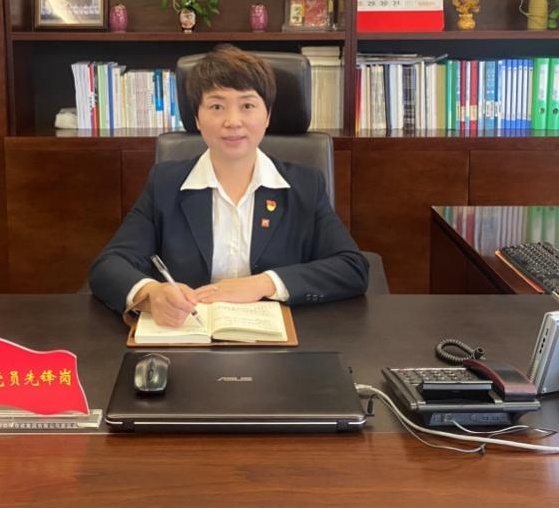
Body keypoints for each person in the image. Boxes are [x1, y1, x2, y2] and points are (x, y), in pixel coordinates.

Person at [88, 45, 369, 325]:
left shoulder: (304, 186)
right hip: (188, 336)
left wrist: (265, 283)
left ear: (268, 115)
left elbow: (352, 267)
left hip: (277, 341)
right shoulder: (166, 184)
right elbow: (109, 265)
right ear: (197, 118)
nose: (233, 122)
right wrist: (150, 293)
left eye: (247, 105)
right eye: (216, 106)